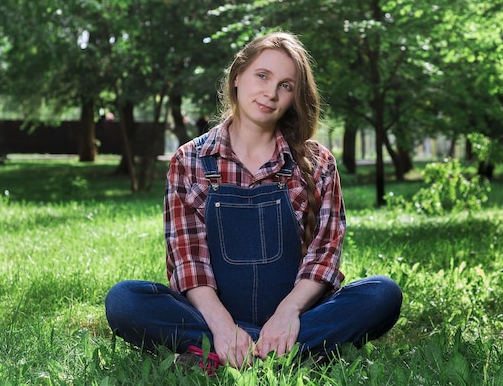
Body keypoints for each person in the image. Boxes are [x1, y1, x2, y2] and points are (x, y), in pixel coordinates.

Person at [105, 32, 402, 370]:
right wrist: (222, 326)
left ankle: (221, 356)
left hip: (297, 316)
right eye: (263, 76)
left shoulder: (318, 162)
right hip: (213, 314)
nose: (271, 93)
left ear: (294, 97)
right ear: (237, 77)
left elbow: (324, 256)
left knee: (382, 294)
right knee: (125, 301)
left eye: (286, 86)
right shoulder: (190, 160)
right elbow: (189, 263)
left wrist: (288, 314)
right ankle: (287, 354)